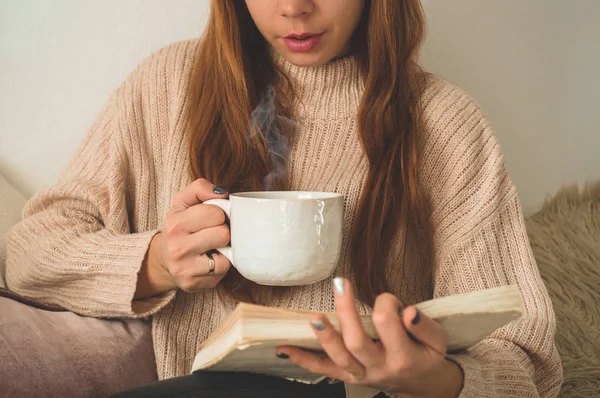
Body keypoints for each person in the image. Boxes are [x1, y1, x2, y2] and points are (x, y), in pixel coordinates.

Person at [5, 0, 563, 397]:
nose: (294, 7)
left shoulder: (444, 124)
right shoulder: (167, 85)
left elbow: (528, 359)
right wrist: (155, 262)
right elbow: (30, 254)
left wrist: (430, 381)